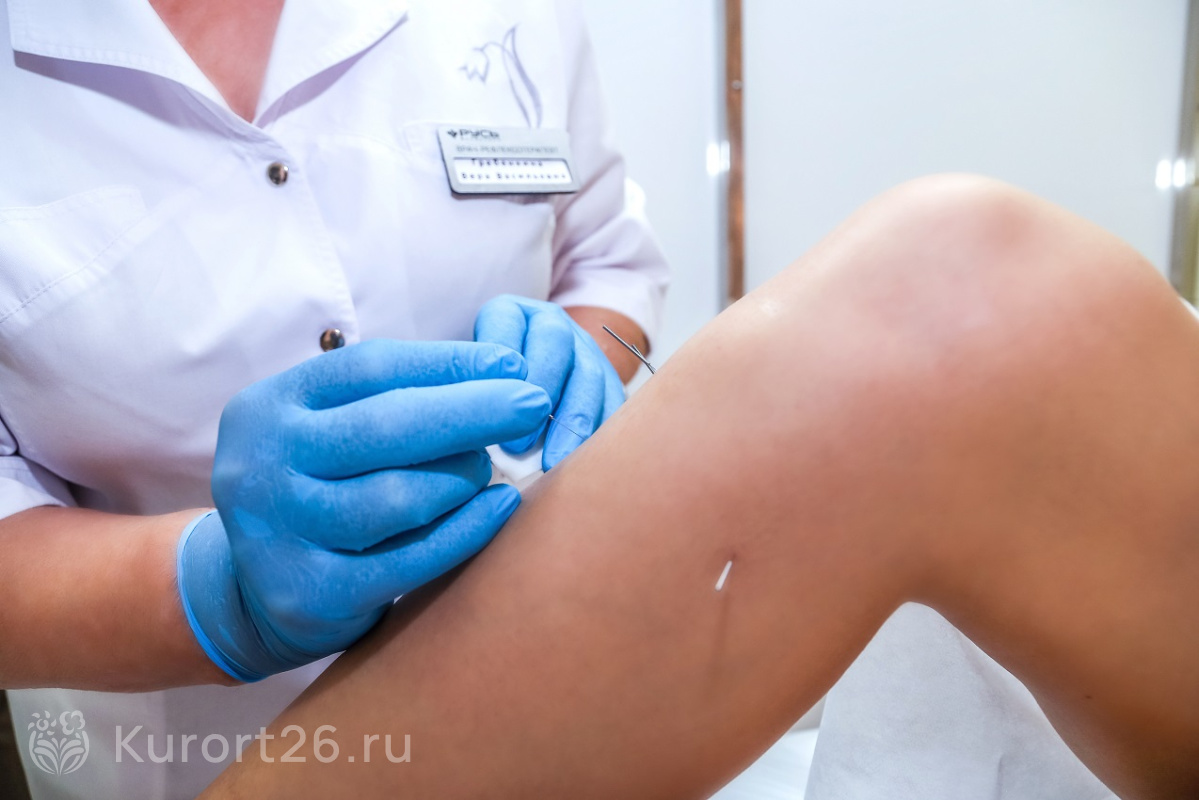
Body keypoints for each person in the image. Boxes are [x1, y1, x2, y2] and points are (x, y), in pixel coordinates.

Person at [202, 176, 1199, 800]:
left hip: (513, 593)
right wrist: (199, 590)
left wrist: (575, 354)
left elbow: (605, 255)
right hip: (176, 732)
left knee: (961, 299)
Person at [0, 0, 667, 797]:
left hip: (542, 704)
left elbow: (605, 256)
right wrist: (218, 593)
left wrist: (568, 363)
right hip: (194, 761)